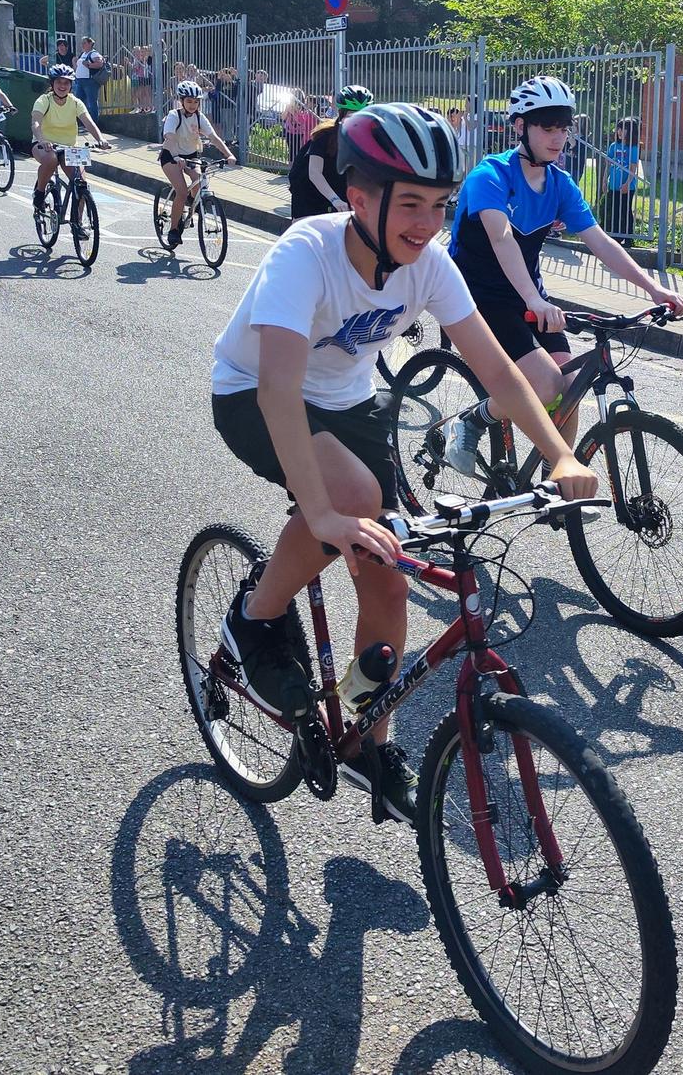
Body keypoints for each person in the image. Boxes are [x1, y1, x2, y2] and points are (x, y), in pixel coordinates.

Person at [210, 102, 598, 823]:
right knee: (351, 499)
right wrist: (323, 512)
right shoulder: (307, 253)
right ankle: (253, 617)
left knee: (388, 582)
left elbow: (501, 371)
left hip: (349, 406)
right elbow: (277, 388)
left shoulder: (428, 266)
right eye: (410, 204)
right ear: (359, 200)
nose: (427, 222)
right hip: (252, 394)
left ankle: (364, 737)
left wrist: (562, 455)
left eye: (440, 205)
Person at [441, 77, 683, 474]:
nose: (558, 138)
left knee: (569, 385)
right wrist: (536, 300)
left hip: (527, 296)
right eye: (547, 127)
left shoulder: (560, 183)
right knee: (543, 384)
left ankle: (557, 481)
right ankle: (471, 421)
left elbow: (602, 243)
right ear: (520, 126)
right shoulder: (491, 175)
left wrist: (655, 288)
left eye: (563, 128)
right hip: (477, 297)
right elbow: (502, 239)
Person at [29, 65, 111, 228]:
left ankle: (78, 223)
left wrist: (101, 139)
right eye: (59, 82)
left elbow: (88, 122)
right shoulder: (44, 100)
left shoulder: (75, 102)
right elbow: (36, 122)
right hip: (44, 145)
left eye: (66, 83)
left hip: (69, 148)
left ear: (71, 85)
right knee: (51, 160)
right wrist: (42, 139)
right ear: (52, 84)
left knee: (80, 183)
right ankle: (39, 193)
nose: (62, 86)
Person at [159, 79, 236, 241]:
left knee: (199, 184)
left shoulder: (199, 118)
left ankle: (191, 209)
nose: (193, 105)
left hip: (191, 156)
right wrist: (175, 157)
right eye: (189, 101)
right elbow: (170, 139)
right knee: (181, 191)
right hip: (171, 156)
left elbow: (214, 138)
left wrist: (229, 154)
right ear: (181, 101)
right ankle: (173, 230)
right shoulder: (174, 116)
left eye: (196, 102)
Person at [288, 84, 374, 219]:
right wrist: (335, 200)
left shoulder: (367, 139)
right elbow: (314, 172)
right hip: (309, 192)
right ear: (341, 114)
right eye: (351, 115)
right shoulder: (324, 135)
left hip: (339, 189)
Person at [600, 116, 643, 239]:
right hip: (613, 184)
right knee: (614, 210)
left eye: (623, 129)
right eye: (618, 128)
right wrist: (604, 181)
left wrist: (627, 184)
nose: (618, 131)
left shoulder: (633, 147)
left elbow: (633, 167)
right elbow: (608, 165)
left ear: (631, 131)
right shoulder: (613, 146)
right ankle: (614, 235)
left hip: (627, 187)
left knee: (625, 211)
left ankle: (628, 236)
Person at [282, 88, 318, 164]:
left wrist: (294, 112)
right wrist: (287, 109)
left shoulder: (303, 107)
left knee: (297, 151)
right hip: (289, 131)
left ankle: (295, 168)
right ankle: (291, 168)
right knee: (291, 151)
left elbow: (301, 121)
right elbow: (283, 117)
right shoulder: (288, 105)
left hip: (299, 132)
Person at [127, 44, 153, 114]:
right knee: (139, 93)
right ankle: (141, 107)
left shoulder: (147, 59)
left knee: (147, 93)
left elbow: (137, 67)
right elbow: (136, 68)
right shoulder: (138, 59)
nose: (142, 53)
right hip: (139, 78)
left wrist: (130, 64)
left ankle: (149, 107)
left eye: (144, 51)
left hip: (146, 77)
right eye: (141, 51)